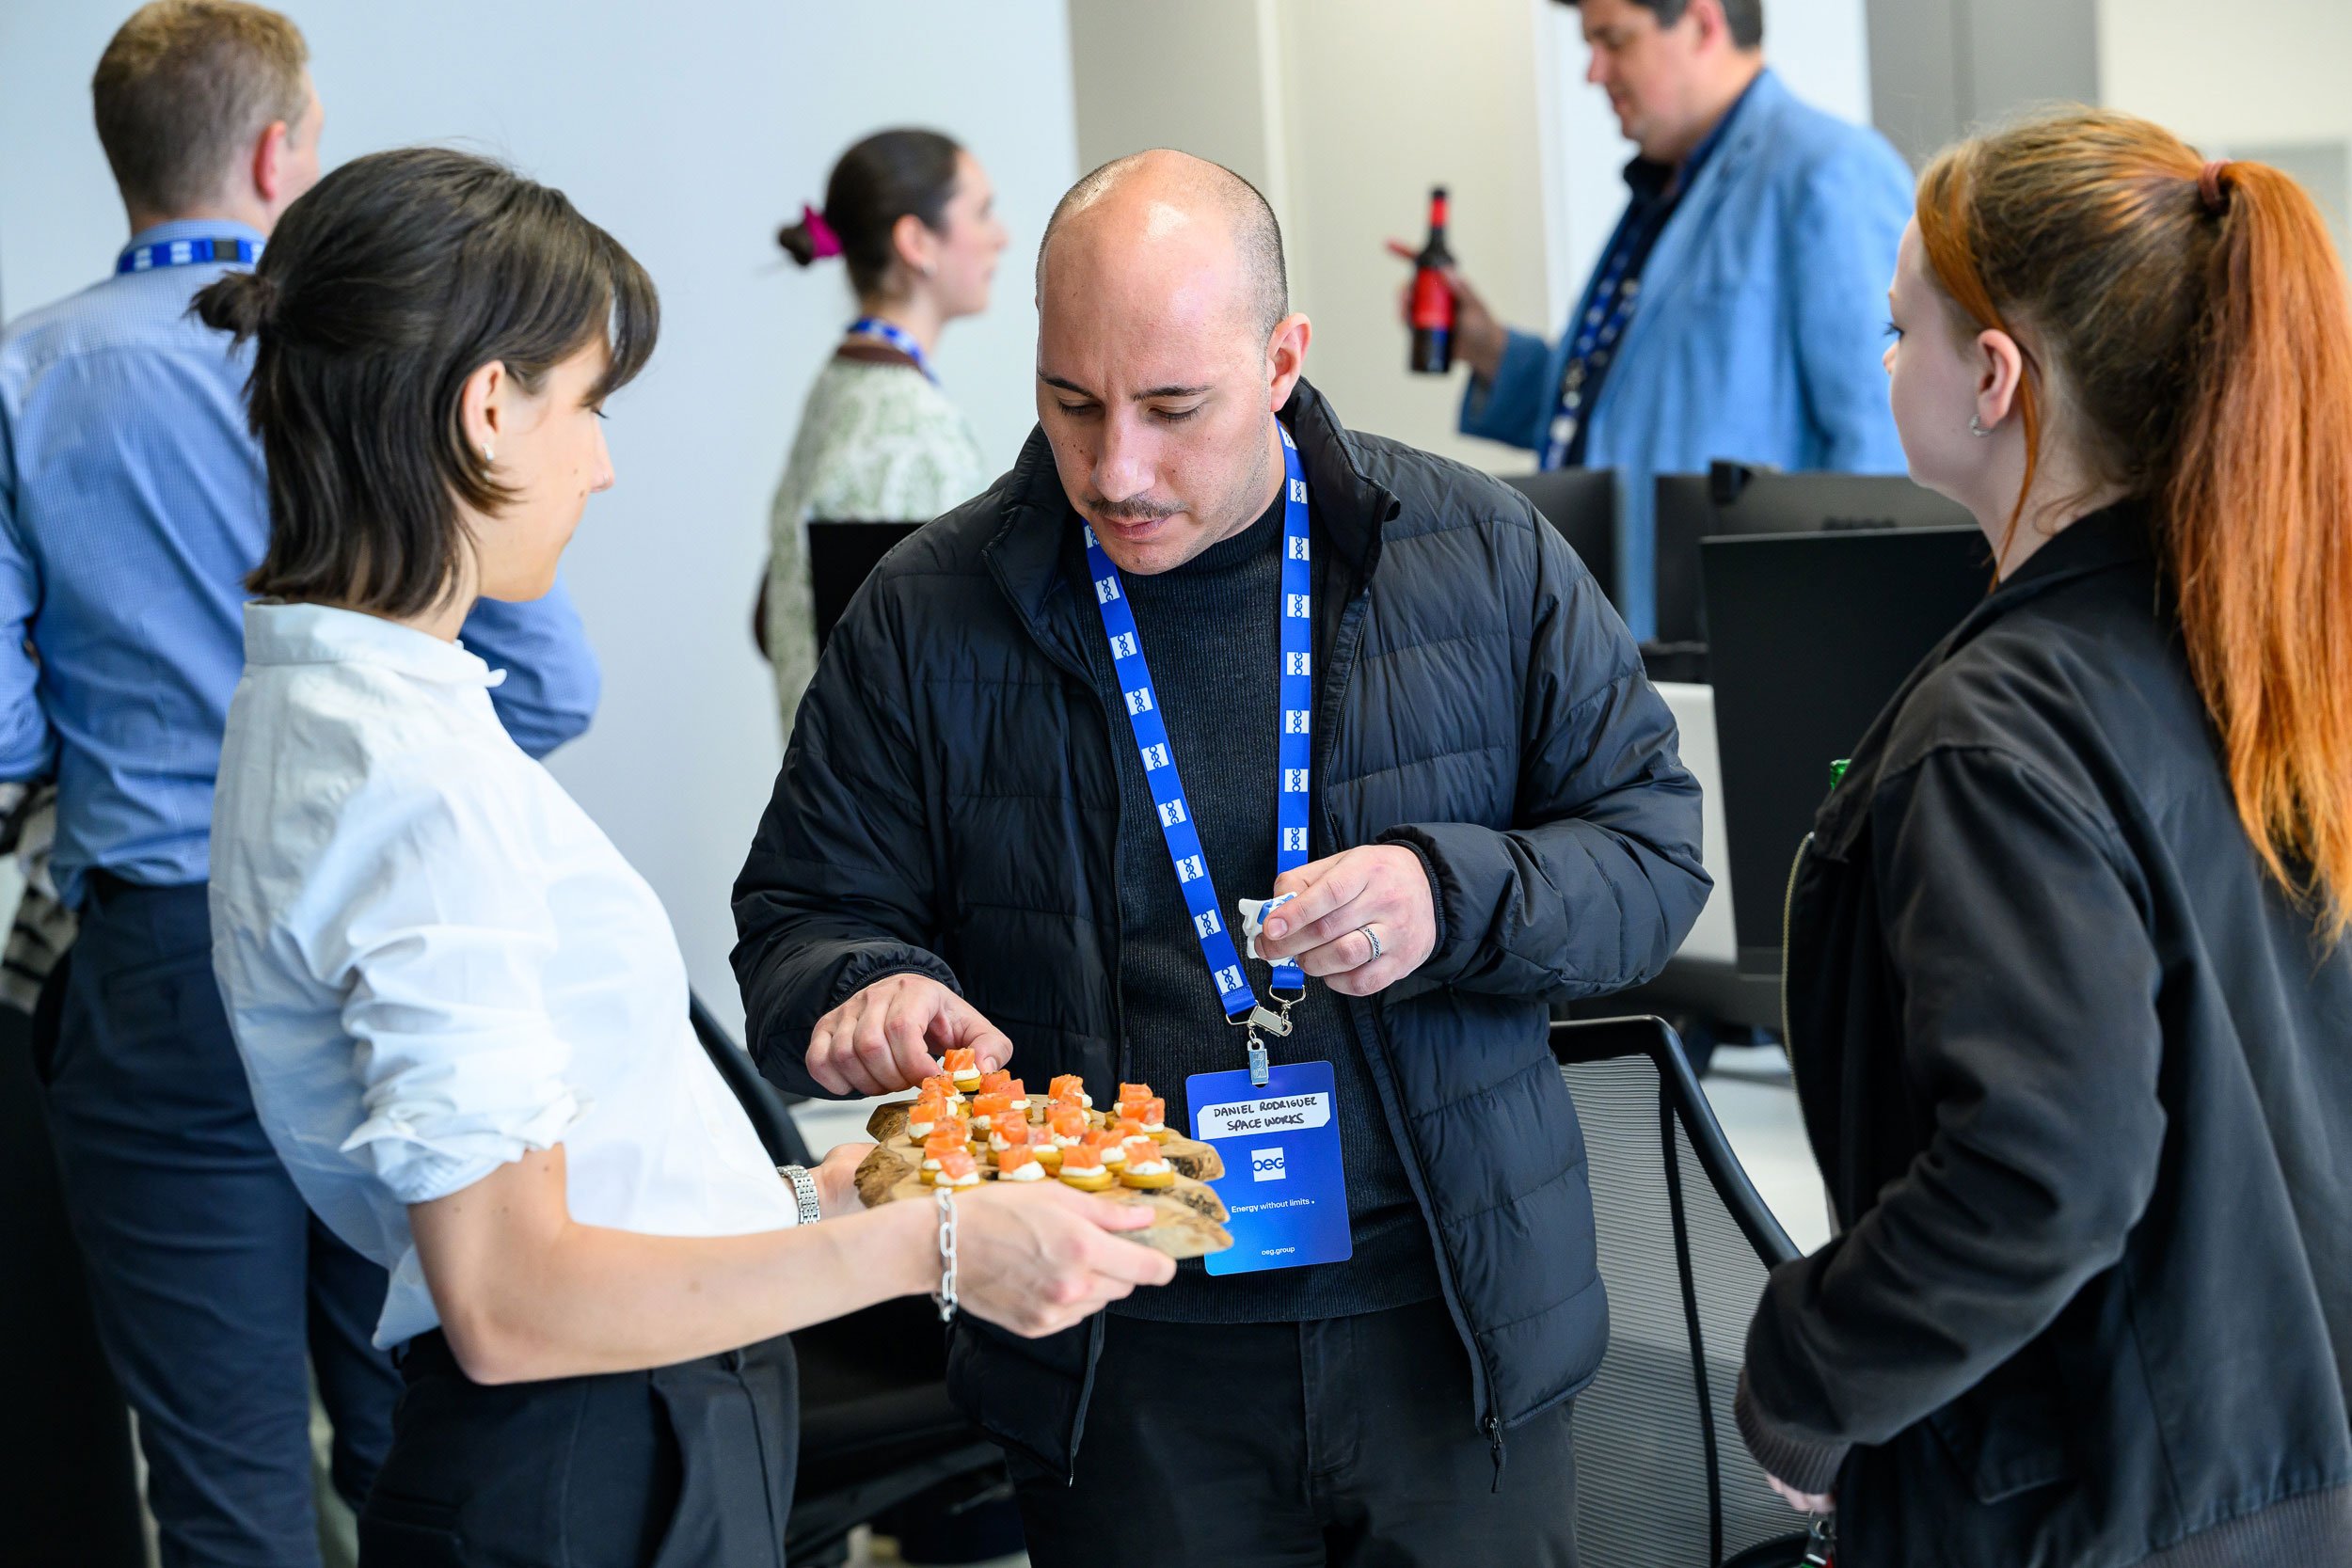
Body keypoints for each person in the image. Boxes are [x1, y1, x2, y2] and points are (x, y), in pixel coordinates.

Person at [196, 145, 1171, 1568]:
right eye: (585, 407)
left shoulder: (344, 707)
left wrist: (840, 1192)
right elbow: (512, 1294)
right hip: (590, 1463)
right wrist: (940, 1248)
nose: (598, 462)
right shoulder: (408, 779)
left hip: (613, 1433)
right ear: (485, 407)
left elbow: (570, 1170)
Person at [735, 149, 1709, 1567]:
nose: (1114, 469)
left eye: (1172, 408)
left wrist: (1452, 895)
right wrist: (865, 984)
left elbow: (1652, 850)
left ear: (1281, 360)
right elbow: (803, 911)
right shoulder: (929, 611)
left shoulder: (1479, 551)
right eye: (1071, 404)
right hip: (1119, 1367)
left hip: (1448, 1336)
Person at [0, 6, 597, 1561]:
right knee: (426, 1416)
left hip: (157, 968)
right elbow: (557, 684)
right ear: (279, 153)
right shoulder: (379, 366)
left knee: (223, 1470)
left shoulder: (19, 378)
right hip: (386, 923)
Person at [1737, 107, 2352, 1565]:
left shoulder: (1998, 730)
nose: (1886, 363)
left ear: (1994, 376)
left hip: (2092, 1511)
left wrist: (1805, 1379)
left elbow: (2045, 1170)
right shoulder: (2267, 658)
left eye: (1904, 332)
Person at [1415, 0, 1911, 638]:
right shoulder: (1662, 197)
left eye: (1615, 41)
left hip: (1751, 640)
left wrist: (1836, 652)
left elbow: (1884, 444)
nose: (1594, 72)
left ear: (1704, 23)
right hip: (1620, 642)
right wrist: (1487, 349)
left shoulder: (1829, 173)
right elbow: (1621, 406)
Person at [761, 129, 1006, 731]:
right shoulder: (906, 424)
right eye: (981, 213)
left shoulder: (841, 382)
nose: (1000, 236)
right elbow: (928, 672)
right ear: (917, 241)